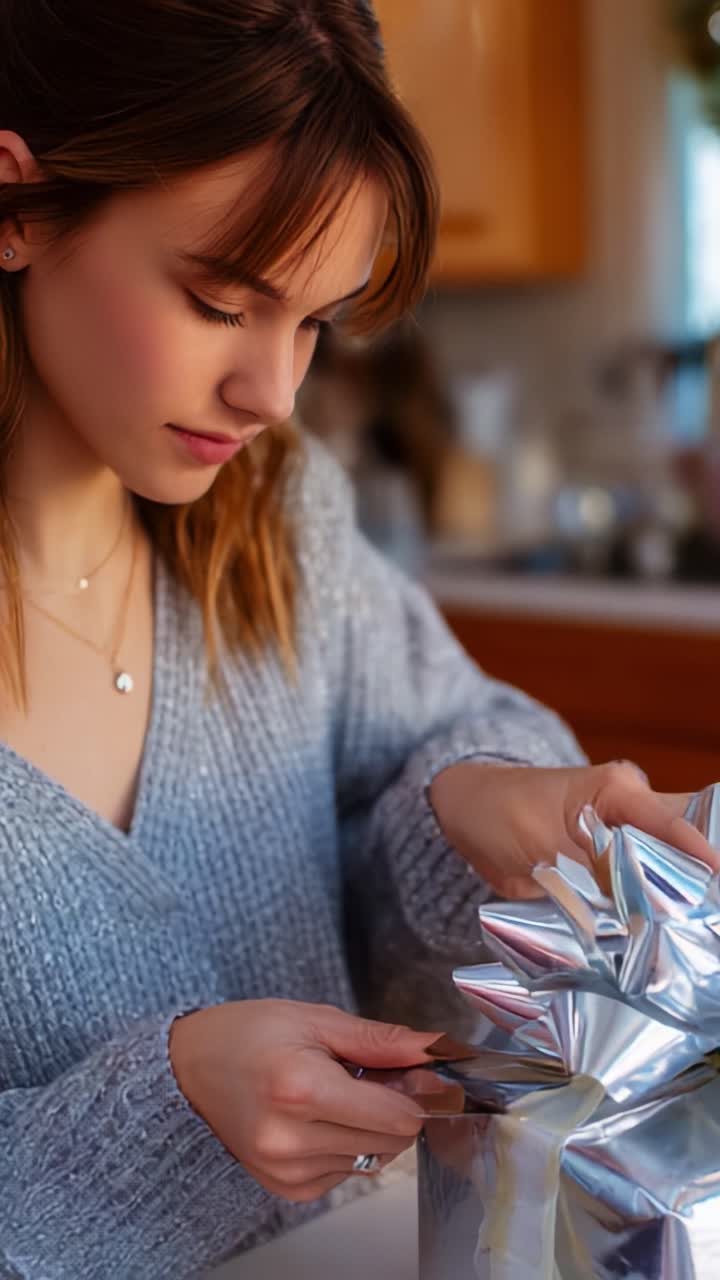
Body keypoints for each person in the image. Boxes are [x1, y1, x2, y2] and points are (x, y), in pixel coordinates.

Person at [0, 3, 716, 1277]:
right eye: (222, 300)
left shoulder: (281, 516)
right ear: (18, 206)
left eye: (316, 323)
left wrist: (472, 800)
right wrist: (158, 1110)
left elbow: (431, 748)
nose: (273, 394)